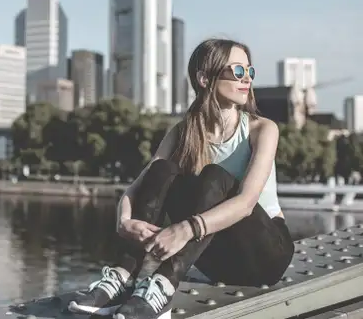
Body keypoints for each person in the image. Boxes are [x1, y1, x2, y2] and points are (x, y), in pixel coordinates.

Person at [67, 38, 294, 319]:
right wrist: (124, 222)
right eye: (237, 71)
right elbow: (137, 187)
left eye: (249, 72)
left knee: (214, 177)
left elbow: (246, 203)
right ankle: (124, 275)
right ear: (204, 78)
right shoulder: (183, 132)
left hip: (267, 254)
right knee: (161, 171)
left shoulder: (263, 129)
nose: (246, 79)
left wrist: (184, 229)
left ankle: (163, 285)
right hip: (218, 258)